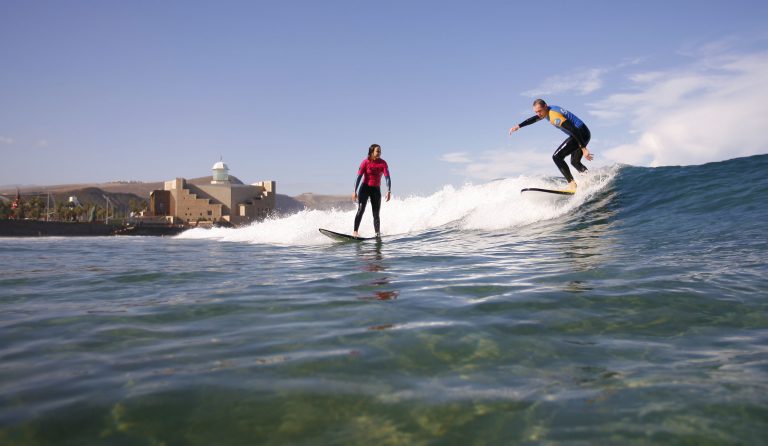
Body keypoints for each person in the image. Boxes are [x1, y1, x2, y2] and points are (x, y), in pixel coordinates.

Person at [509, 98, 594, 190]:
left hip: (580, 133)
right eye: (536, 112)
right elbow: (534, 119)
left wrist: (583, 149)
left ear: (545, 106)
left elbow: (573, 130)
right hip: (583, 132)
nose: (538, 114)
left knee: (557, 157)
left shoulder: (554, 116)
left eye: (540, 111)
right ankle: (591, 180)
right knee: (574, 162)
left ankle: (572, 184)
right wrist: (519, 126)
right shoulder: (548, 110)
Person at [352, 144, 391, 237]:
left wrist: (389, 190)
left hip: (376, 190)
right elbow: (358, 177)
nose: (379, 153)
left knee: (376, 213)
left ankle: (377, 233)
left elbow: (387, 177)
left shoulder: (383, 163)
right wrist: (354, 191)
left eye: (380, 151)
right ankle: (355, 232)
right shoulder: (365, 162)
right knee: (361, 209)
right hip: (365, 188)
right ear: (372, 152)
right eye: (377, 151)